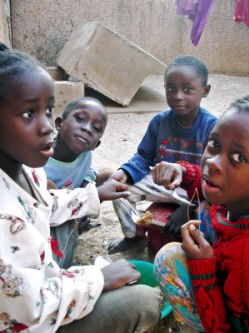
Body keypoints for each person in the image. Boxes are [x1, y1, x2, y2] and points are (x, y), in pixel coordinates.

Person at [0, 44, 162, 333]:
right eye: (28, 113)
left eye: (47, 110)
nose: (46, 126)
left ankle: (130, 234)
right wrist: (97, 278)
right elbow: (28, 304)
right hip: (30, 321)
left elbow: (49, 204)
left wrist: (96, 194)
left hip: (47, 274)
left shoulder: (28, 169)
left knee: (73, 213)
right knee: (145, 300)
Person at [153, 95, 249, 332]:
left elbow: (225, 329)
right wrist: (182, 171)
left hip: (231, 314)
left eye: (239, 157)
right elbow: (206, 188)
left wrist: (203, 266)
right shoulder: (235, 196)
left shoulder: (244, 258)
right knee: (205, 208)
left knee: (168, 259)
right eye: (215, 144)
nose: (214, 162)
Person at [109, 55, 217, 254]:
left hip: (195, 192)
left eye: (187, 89)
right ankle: (135, 235)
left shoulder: (212, 127)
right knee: (118, 190)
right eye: (170, 88)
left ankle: (193, 232)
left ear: (205, 91)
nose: (177, 96)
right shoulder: (160, 122)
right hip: (162, 185)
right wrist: (125, 172)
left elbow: (214, 175)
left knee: (213, 208)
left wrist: (189, 210)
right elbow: (143, 156)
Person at [44, 97, 113, 268]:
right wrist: (90, 199)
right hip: (48, 213)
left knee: (112, 175)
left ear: (96, 144)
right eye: (80, 119)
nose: (87, 129)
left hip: (73, 202)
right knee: (50, 187)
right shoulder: (42, 161)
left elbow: (87, 173)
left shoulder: (85, 154)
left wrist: (85, 189)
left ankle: (132, 232)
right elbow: (50, 203)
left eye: (96, 128)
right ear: (59, 124)